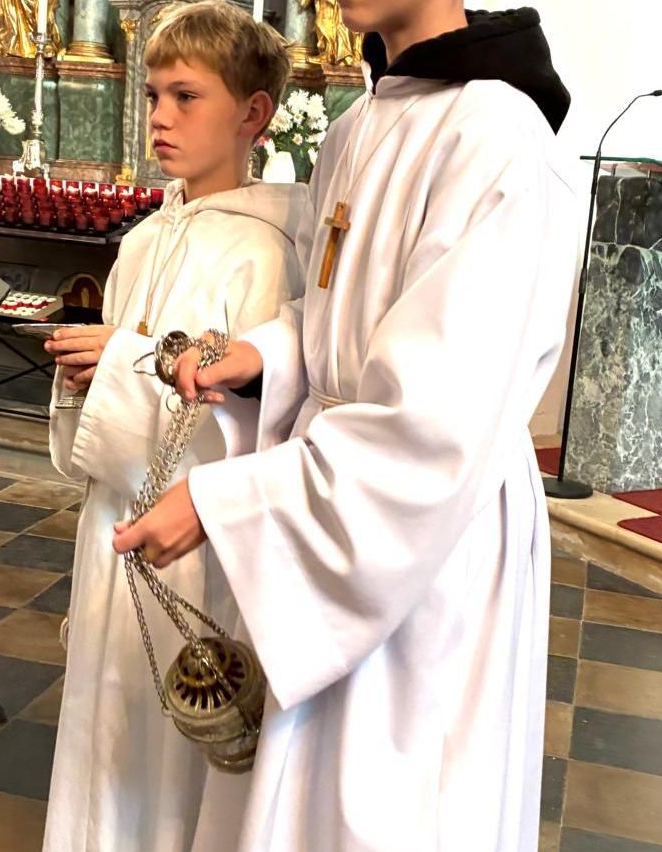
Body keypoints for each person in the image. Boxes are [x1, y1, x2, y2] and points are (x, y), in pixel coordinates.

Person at [112, 2, 579, 850]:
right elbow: (338, 317)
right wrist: (261, 354)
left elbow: (434, 415)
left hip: (417, 520)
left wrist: (224, 503)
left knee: (393, 806)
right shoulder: (353, 128)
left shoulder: (498, 135)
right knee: (295, 799)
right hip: (330, 480)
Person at [42, 3, 305, 850]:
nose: (158, 115)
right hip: (111, 524)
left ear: (252, 113)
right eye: (153, 94)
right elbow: (116, 402)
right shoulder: (144, 239)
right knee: (107, 719)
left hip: (194, 542)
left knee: (169, 758)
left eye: (186, 96)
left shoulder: (264, 249)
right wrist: (86, 375)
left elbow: (247, 423)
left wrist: (121, 361)